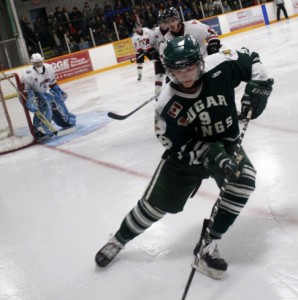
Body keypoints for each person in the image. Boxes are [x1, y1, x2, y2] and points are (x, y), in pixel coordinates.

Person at [95, 34, 274, 279]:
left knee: (243, 181)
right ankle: (119, 239)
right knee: (154, 207)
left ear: (200, 62)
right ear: (169, 71)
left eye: (190, 67)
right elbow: (176, 146)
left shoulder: (220, 64)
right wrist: (210, 154)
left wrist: (260, 85)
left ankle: (208, 243)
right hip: (187, 156)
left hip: (226, 142)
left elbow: (252, 59)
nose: (186, 75)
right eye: (179, 71)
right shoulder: (166, 105)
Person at [21, 53, 76, 139]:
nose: (38, 64)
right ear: (33, 63)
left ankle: (65, 121)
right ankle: (38, 129)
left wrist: (58, 90)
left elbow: (52, 83)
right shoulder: (28, 75)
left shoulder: (49, 68)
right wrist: (30, 100)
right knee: (46, 106)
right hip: (33, 96)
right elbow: (24, 91)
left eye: (40, 62)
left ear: (42, 60)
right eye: (36, 62)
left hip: (43, 93)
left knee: (56, 103)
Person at [148, 11, 169, 96]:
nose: (163, 24)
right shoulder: (154, 32)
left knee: (173, 75)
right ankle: (157, 93)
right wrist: (152, 52)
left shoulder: (172, 29)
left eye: (165, 22)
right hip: (159, 57)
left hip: (172, 56)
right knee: (159, 75)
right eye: (161, 22)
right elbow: (150, 45)